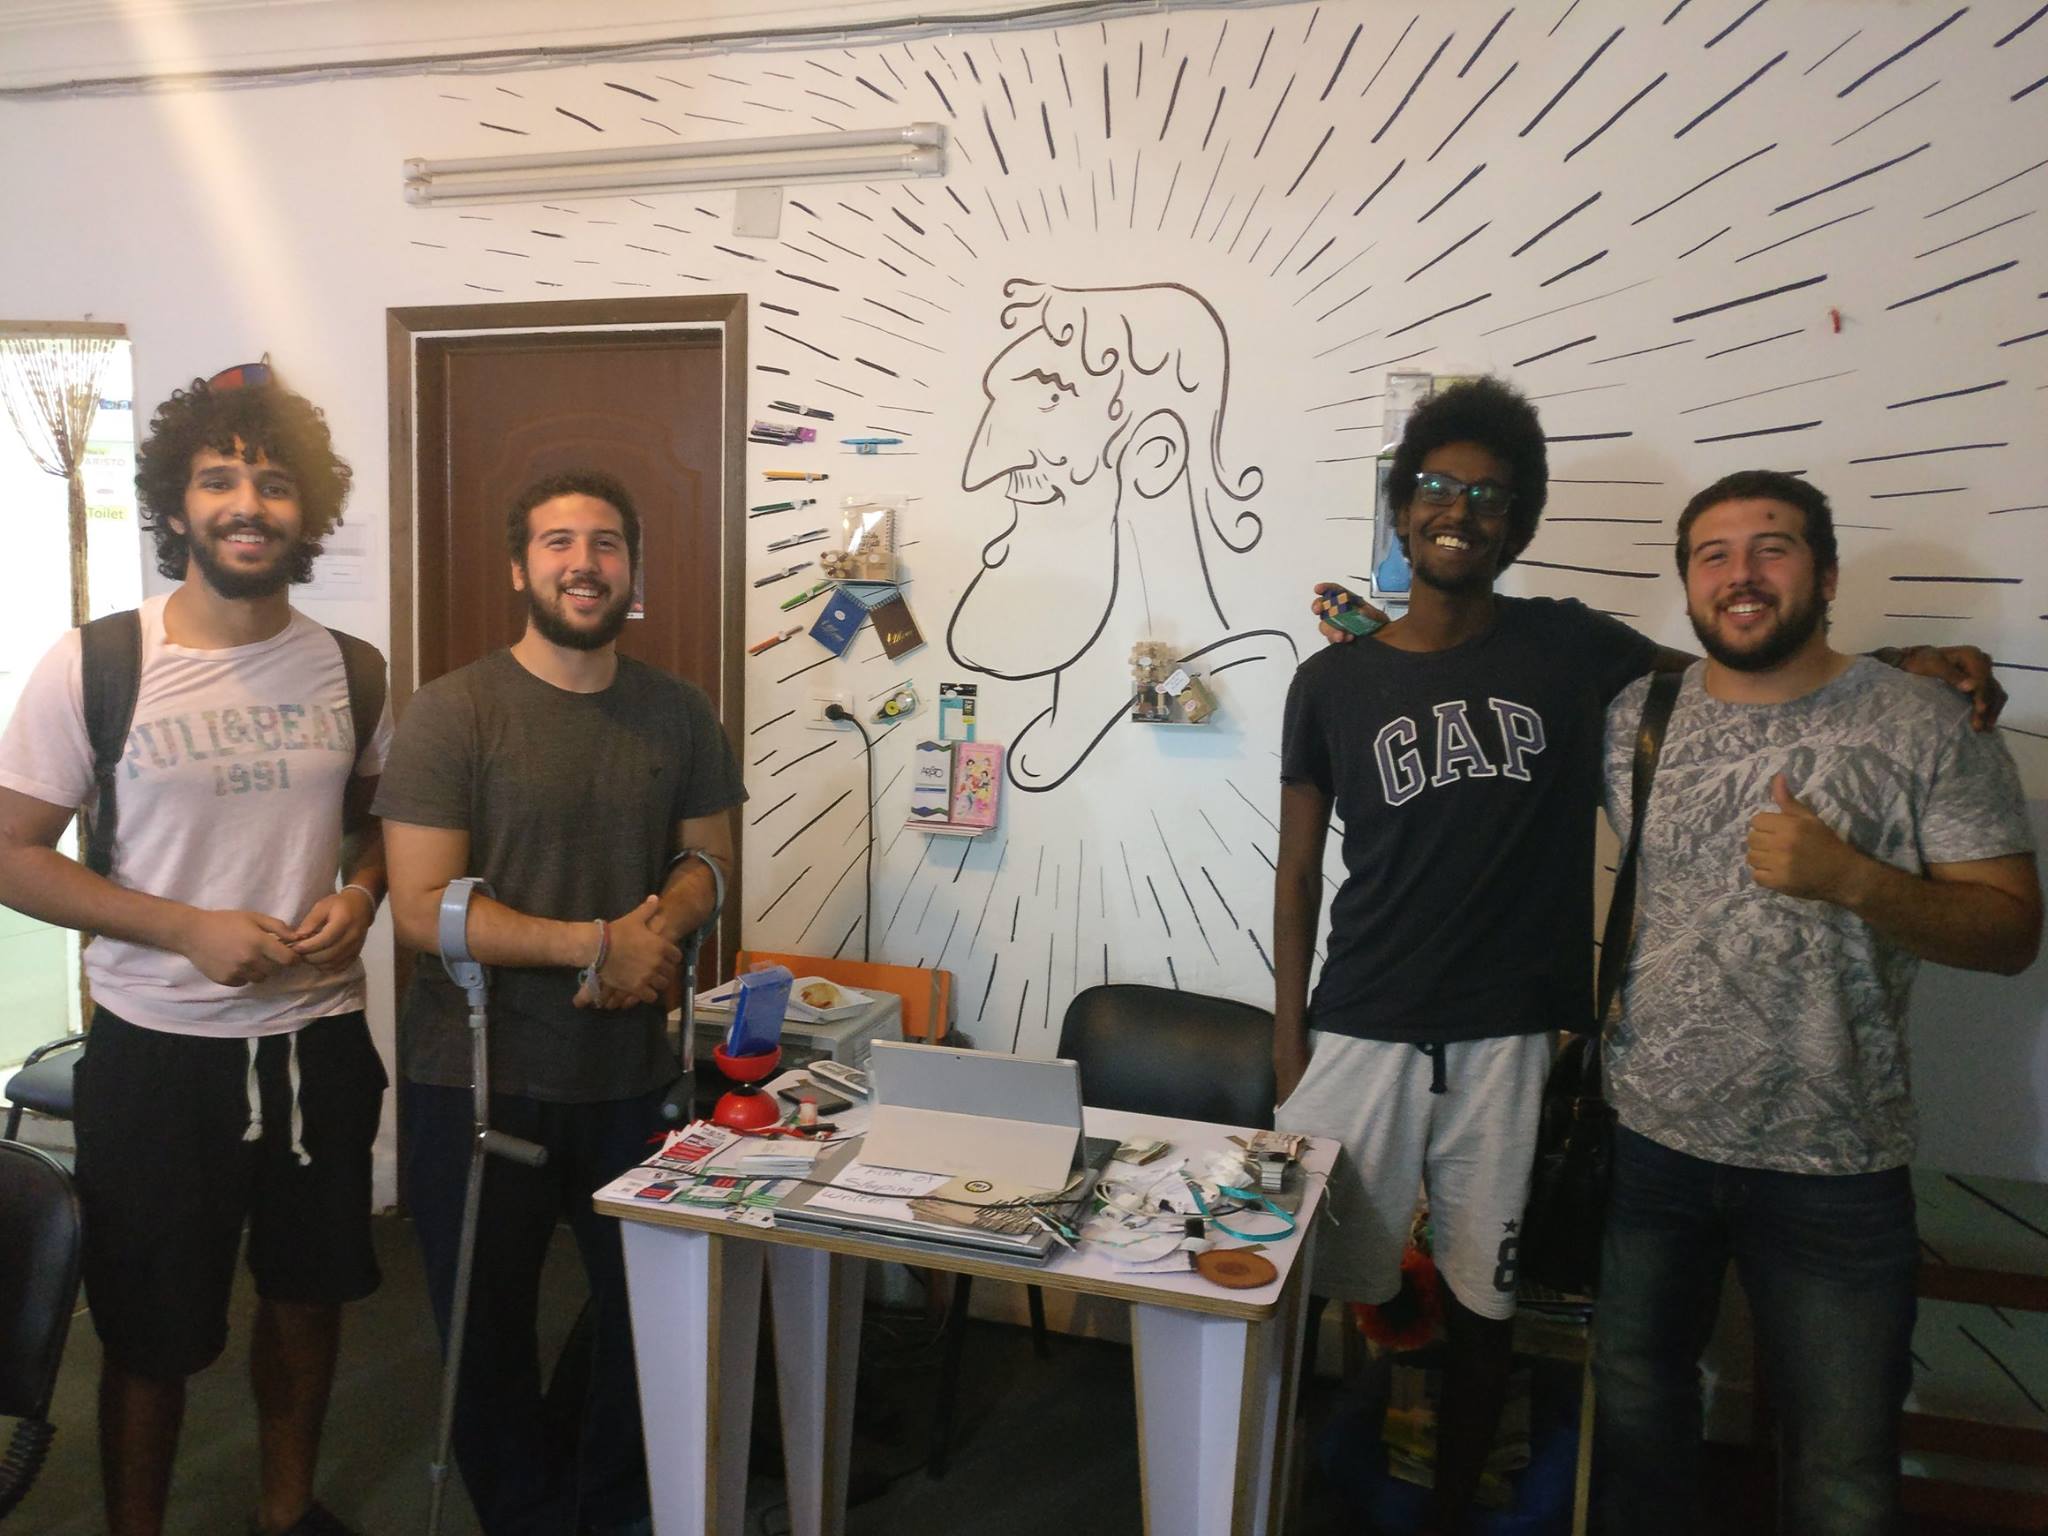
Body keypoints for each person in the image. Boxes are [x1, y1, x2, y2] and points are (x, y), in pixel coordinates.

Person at [1278, 378, 2005, 1534]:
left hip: (1552, 1050)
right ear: (1400, 505)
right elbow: (1296, 872)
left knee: (1499, 1316)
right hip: (1421, 1044)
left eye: (1488, 496)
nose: (1458, 510)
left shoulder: (1570, 649)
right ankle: (1287, 1492)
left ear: (1518, 523)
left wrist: (1900, 661)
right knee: (1313, 1291)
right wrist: (1291, 1045)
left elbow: (1751, 669)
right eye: (1436, 486)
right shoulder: (1335, 682)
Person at [1593, 469, 2040, 1535]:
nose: (1740, 574)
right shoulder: (1636, 716)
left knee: (1843, 1467)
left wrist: (1852, 879)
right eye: (1712, 555)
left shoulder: (1927, 722)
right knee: (1635, 1421)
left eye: (1772, 547)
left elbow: (2010, 933)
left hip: (1835, 1160)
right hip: (1651, 1140)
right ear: (1687, 584)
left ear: (1826, 574)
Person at [0, 370, 390, 1536]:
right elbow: (11, 852)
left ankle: (286, 1512)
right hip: (158, 1053)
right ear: (176, 505)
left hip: (317, 1042)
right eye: (219, 479)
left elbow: (380, 830)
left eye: (273, 483)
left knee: (309, 1299)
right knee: (148, 1329)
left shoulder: (356, 669)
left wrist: (362, 894)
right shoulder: (97, 663)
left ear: (305, 511)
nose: (247, 504)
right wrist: (183, 927)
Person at [377, 469, 744, 1536]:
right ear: (519, 567)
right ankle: (524, 1516)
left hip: (631, 1078)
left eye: (605, 544)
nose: (584, 563)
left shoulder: (679, 711)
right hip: (476, 1078)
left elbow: (712, 862)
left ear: (631, 569)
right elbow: (420, 910)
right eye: (557, 542)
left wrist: (656, 930)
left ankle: (612, 1507)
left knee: (646, 1322)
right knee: (485, 1337)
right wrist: (595, 944)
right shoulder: (453, 712)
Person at [946, 278, 1295, 791]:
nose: (984, 468)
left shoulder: (1258, 689)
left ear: (1155, 455)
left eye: (1052, 398)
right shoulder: (1058, 729)